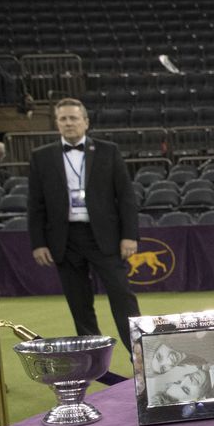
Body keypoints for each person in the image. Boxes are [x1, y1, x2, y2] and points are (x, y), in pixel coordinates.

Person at [27, 98, 141, 354]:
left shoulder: (108, 151)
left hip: (105, 238)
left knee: (122, 297)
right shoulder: (41, 157)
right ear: (57, 123)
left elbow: (125, 197)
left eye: (73, 118)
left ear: (86, 122)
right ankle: (94, 364)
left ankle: (141, 357)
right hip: (64, 240)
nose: (69, 123)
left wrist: (129, 236)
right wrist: (38, 242)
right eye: (63, 119)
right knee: (79, 305)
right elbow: (35, 204)